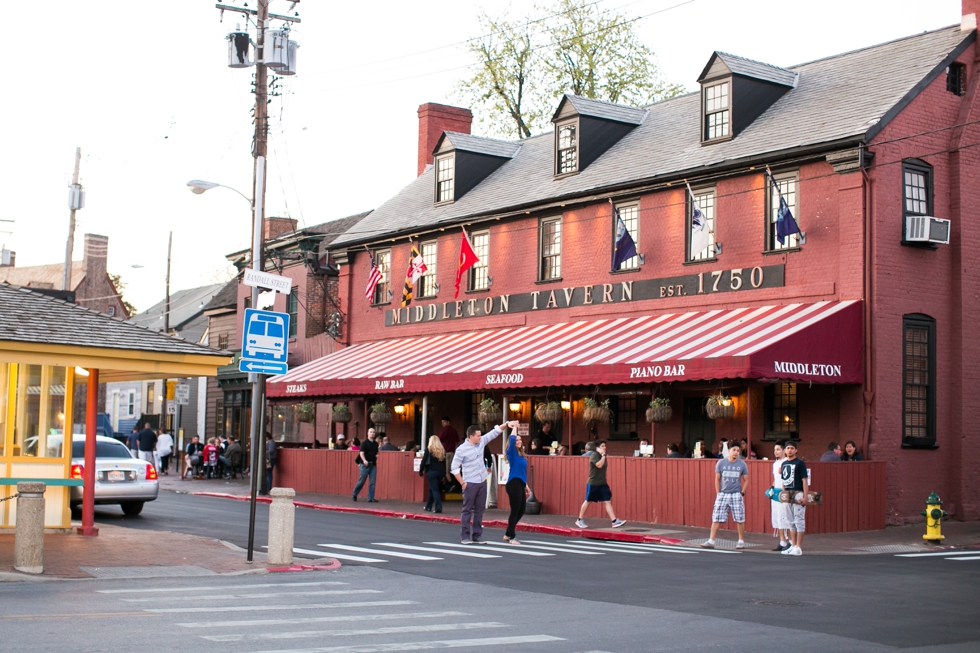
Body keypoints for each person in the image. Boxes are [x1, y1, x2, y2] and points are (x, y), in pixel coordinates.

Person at [451, 420, 518, 544]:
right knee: (467, 510)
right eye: (477, 435)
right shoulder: (461, 449)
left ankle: (477, 535)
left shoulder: (481, 442)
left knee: (479, 510)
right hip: (469, 482)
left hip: (482, 481)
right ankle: (465, 536)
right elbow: (454, 468)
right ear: (471, 436)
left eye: (480, 435)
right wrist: (462, 483)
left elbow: (494, 433)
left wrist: (507, 424)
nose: (480, 437)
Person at [700, 442, 749, 549]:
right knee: (716, 517)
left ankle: (741, 541)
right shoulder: (721, 463)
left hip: (736, 493)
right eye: (734, 450)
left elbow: (746, 480)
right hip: (723, 493)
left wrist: (742, 492)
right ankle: (711, 540)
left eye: (738, 450)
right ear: (729, 450)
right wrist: (718, 493)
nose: (736, 452)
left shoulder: (742, 464)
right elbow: (717, 479)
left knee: (739, 518)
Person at [575, 441, 626, 530]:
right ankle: (579, 520)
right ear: (597, 448)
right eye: (602, 446)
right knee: (588, 501)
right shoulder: (595, 455)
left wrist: (603, 456)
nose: (605, 447)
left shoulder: (603, 456)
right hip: (593, 483)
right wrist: (603, 456)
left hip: (602, 483)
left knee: (607, 501)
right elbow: (599, 465)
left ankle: (614, 521)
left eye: (605, 446)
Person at [780, 441, 809, 556]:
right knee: (790, 521)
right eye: (788, 448)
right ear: (785, 450)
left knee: (799, 520)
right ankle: (793, 545)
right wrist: (783, 493)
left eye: (792, 448)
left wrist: (805, 496)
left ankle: (799, 546)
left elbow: (804, 480)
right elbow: (783, 480)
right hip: (787, 494)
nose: (790, 450)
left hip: (798, 493)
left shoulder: (800, 463)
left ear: (796, 450)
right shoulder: (784, 464)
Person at [504, 428, 530, 544]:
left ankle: (507, 533)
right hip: (513, 484)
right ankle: (512, 537)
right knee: (515, 511)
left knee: (522, 510)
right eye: (517, 440)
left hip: (520, 483)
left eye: (520, 440)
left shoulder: (521, 455)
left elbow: (521, 472)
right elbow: (512, 438)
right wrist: (514, 427)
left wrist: (526, 485)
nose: (519, 441)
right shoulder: (512, 453)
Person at [770, 442, 792, 552]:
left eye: (778, 449)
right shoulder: (775, 463)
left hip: (784, 493)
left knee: (786, 517)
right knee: (777, 517)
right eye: (775, 449)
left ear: (783, 450)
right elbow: (775, 479)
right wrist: (771, 488)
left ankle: (791, 541)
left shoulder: (786, 463)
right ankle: (782, 541)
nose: (776, 452)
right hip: (776, 492)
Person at [419, 436, 447, 513]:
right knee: (432, 488)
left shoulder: (429, 450)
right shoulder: (442, 450)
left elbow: (424, 461)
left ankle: (438, 507)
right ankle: (428, 506)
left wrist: (421, 471)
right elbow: (444, 463)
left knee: (434, 489)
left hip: (431, 471)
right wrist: (444, 474)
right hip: (440, 472)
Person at [351, 428, 379, 502]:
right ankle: (355, 493)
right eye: (371, 432)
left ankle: (370, 497)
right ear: (368, 433)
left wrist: (377, 455)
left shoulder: (376, 444)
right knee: (362, 480)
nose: (372, 433)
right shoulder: (364, 443)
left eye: (373, 432)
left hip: (373, 464)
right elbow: (361, 453)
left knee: (372, 481)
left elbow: (376, 452)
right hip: (365, 464)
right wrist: (364, 460)